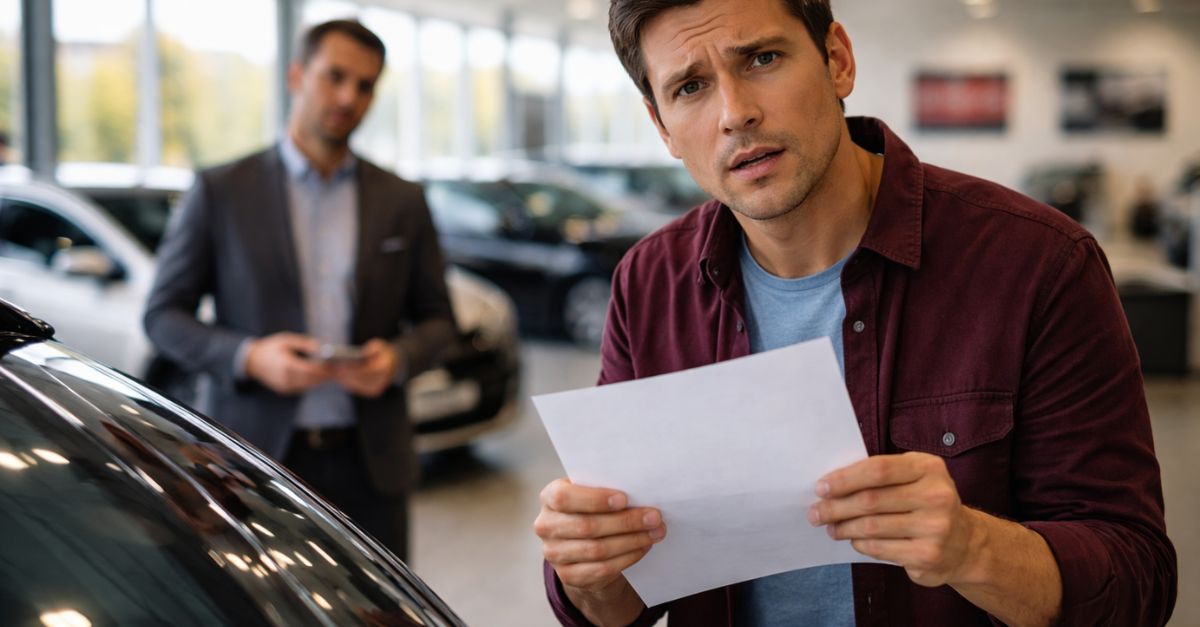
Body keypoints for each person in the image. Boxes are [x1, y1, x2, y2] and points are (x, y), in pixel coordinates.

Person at [533, 1, 1177, 625]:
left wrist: (970, 549)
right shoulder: (649, 283)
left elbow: (1135, 581)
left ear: (837, 60)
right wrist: (589, 570)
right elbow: (615, 609)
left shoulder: (1037, 263)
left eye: (761, 58)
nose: (736, 114)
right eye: (690, 87)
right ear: (663, 126)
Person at [143, 19, 456, 560]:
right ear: (296, 75)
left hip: (371, 466)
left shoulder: (402, 199)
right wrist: (249, 357)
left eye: (364, 85)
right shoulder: (222, 191)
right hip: (251, 461)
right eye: (334, 76)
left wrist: (398, 358)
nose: (347, 97)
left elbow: (440, 322)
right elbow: (163, 316)